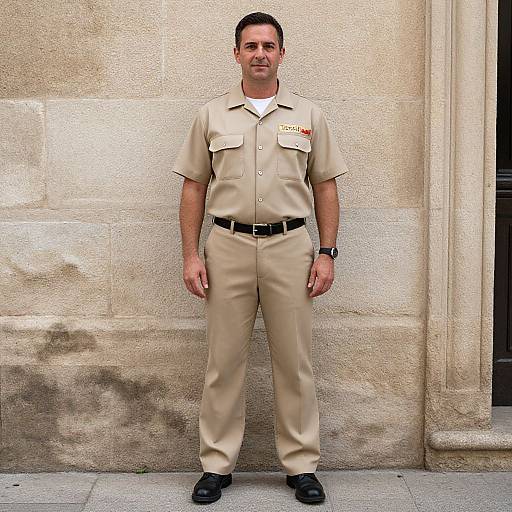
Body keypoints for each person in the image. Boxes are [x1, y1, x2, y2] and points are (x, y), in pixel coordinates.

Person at [172, 11, 348, 505]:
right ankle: (216, 466)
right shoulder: (211, 115)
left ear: (281, 54)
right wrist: (191, 255)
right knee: (223, 363)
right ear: (236, 54)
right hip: (225, 245)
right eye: (250, 46)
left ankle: (300, 466)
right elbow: (193, 188)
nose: (260, 54)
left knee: (294, 364)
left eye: (268, 46)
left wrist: (327, 252)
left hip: (291, 247)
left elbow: (325, 187)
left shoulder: (308, 115)